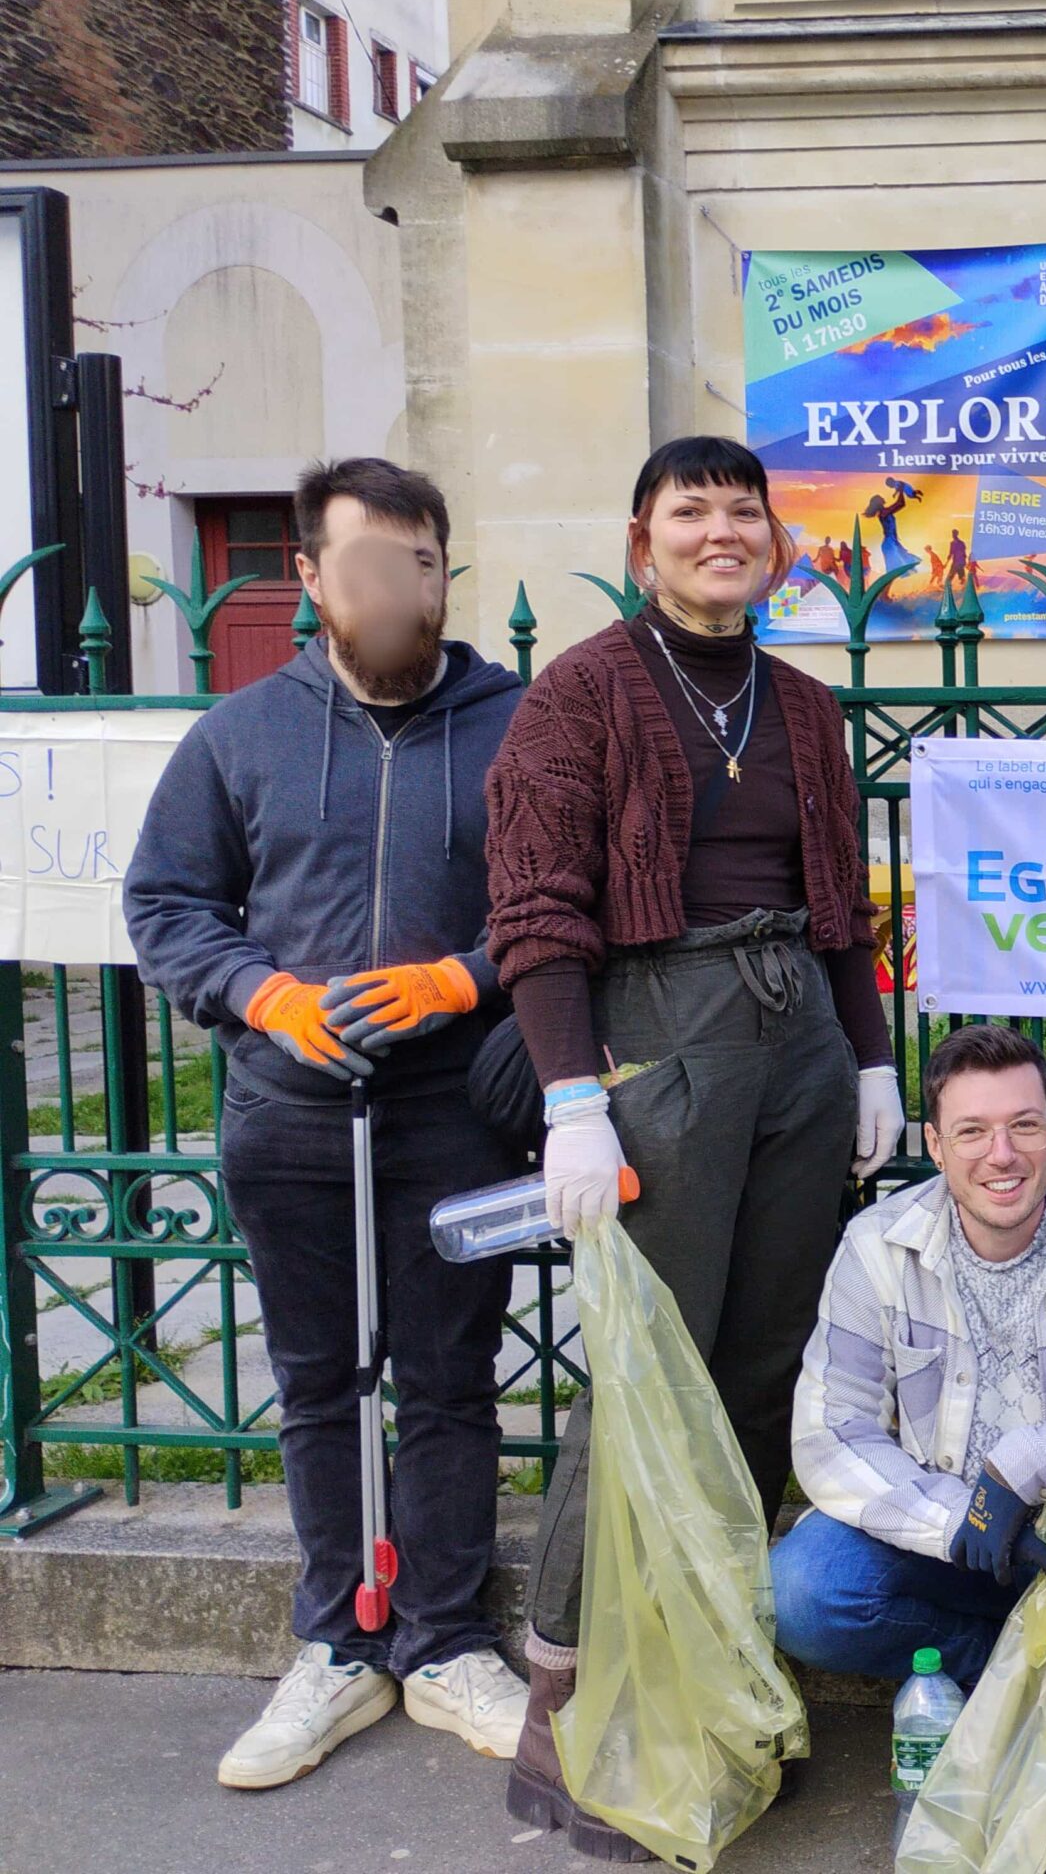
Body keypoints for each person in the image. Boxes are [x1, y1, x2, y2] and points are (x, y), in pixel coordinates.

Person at [484, 435, 905, 1858]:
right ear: (642, 534)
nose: (723, 531)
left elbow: (840, 906)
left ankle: (708, 1652)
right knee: (645, 1366)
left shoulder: (804, 705)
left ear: (774, 541)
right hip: (658, 1026)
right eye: (692, 511)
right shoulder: (579, 694)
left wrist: (871, 1059)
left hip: (793, 1024)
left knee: (762, 1356)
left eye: (746, 510)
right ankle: (566, 1682)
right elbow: (536, 910)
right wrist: (571, 1099)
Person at [126, 458, 531, 1790]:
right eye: (363, 564)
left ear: (443, 571)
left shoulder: (512, 725)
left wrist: (463, 978)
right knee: (317, 1387)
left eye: (419, 563)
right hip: (289, 1112)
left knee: (448, 1383)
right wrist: (261, 993)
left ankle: (446, 1644)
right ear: (308, 577)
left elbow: (556, 902)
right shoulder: (238, 737)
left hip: (450, 1111)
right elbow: (169, 904)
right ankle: (338, 1643)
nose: (395, 590)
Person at [771, 1022, 1046, 1684]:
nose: (1001, 1154)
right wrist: (963, 1519)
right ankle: (1017, 1690)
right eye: (972, 1131)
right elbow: (830, 1434)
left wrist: (1026, 1469)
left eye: (1025, 1126)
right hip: (946, 1546)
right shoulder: (876, 1246)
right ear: (935, 1144)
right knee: (801, 1593)